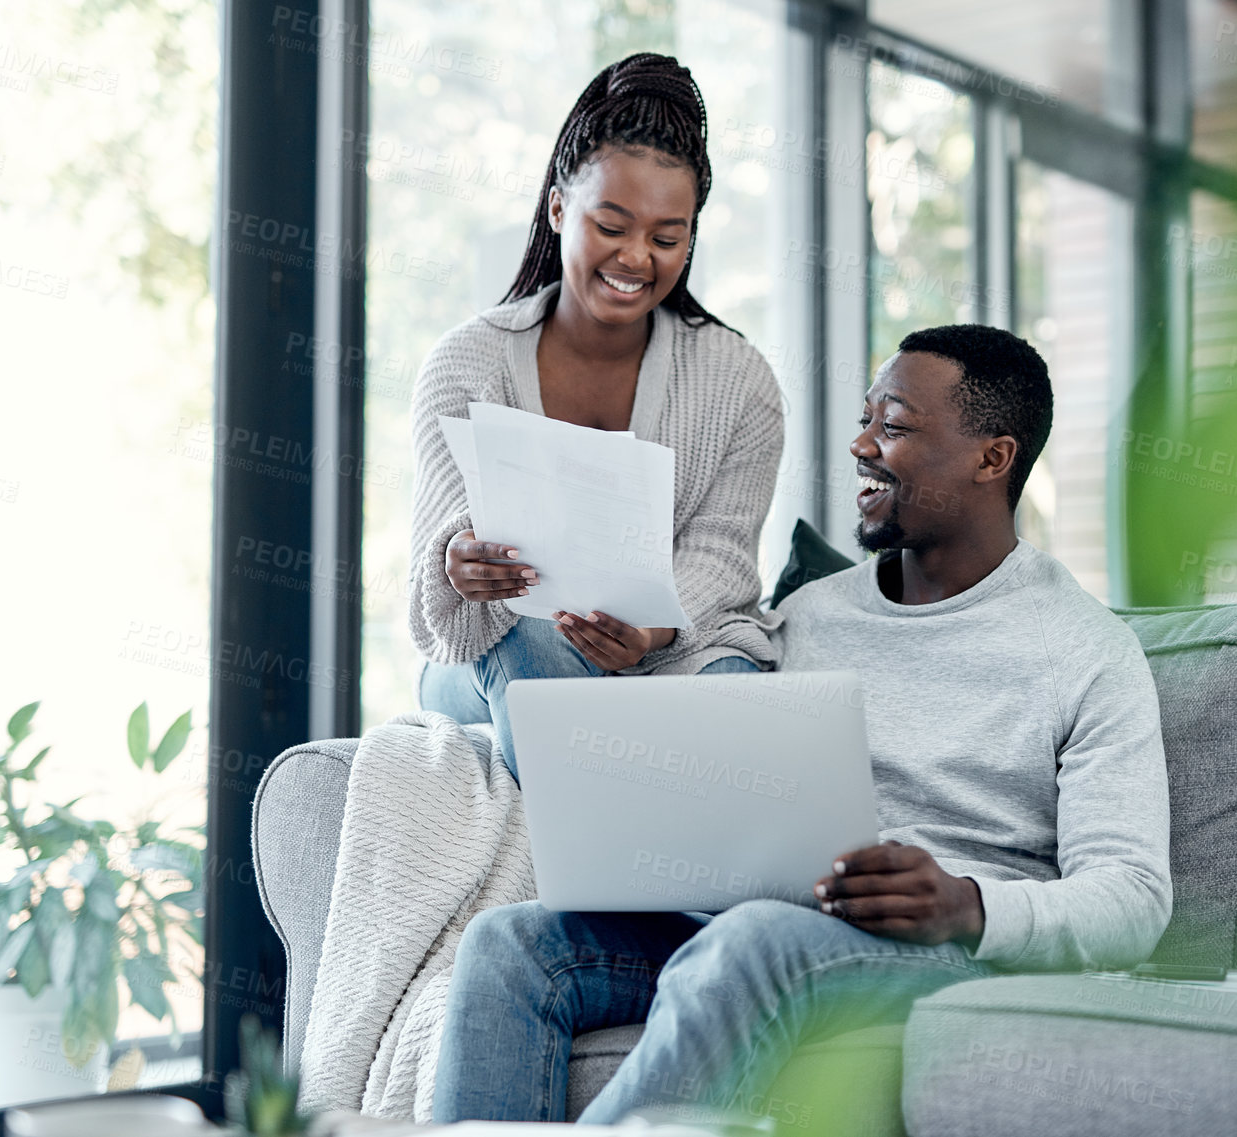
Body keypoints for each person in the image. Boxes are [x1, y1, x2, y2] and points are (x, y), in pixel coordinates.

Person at [430, 324, 1173, 1126]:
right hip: (767, 920)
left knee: (752, 942)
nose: (860, 445)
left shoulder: (1088, 650)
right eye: (864, 418)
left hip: (945, 954)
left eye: (892, 425)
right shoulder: (809, 615)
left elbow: (1132, 899)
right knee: (511, 946)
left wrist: (966, 904)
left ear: (992, 458)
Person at [408, 53, 783, 779]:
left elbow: (722, 551)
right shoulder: (466, 363)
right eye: (611, 225)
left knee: (732, 689)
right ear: (557, 209)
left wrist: (652, 627)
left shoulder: (741, 381)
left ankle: (684, 878)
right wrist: (462, 561)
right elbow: (443, 538)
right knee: (538, 643)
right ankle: (593, 877)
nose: (636, 257)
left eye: (667, 238)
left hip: (675, 643)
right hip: (496, 641)